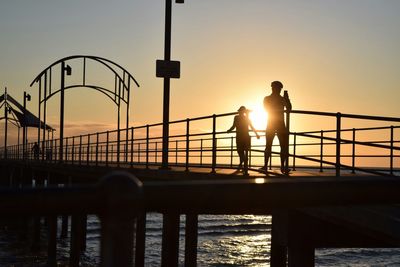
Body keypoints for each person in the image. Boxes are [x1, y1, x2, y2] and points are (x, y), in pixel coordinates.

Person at [263, 81, 292, 174]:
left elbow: (289, 109)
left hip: (279, 124)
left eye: (280, 88)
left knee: (283, 145)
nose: (279, 90)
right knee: (268, 145)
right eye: (278, 88)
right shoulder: (267, 98)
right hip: (272, 123)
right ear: (273, 88)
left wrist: (287, 100)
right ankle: (266, 165)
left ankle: (283, 166)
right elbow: (266, 108)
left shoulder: (283, 99)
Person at [228, 106, 260, 173]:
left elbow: (234, 126)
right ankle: (243, 165)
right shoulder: (244, 118)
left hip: (241, 137)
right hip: (245, 137)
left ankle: (244, 166)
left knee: (241, 151)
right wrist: (256, 134)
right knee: (242, 151)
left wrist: (229, 130)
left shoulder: (238, 118)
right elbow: (252, 127)